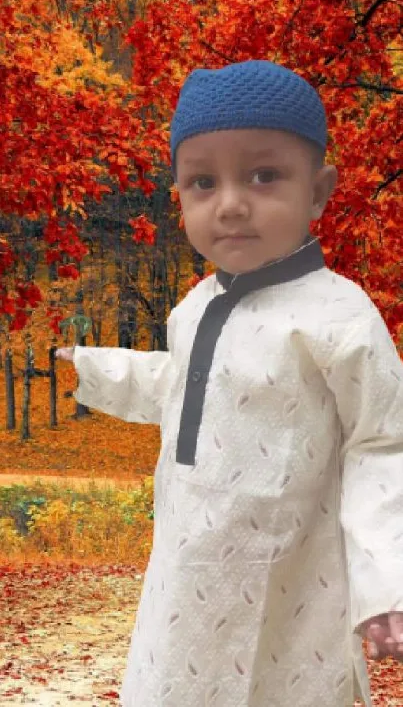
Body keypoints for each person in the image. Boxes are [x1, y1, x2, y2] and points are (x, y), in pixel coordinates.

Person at [56, 60, 403, 707]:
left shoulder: (337, 316)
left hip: (290, 580)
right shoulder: (193, 306)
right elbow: (191, 388)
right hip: (186, 576)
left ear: (319, 190)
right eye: (202, 182)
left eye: (263, 175)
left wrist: (388, 582)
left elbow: (384, 444)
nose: (231, 203)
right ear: (179, 197)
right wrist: (97, 372)